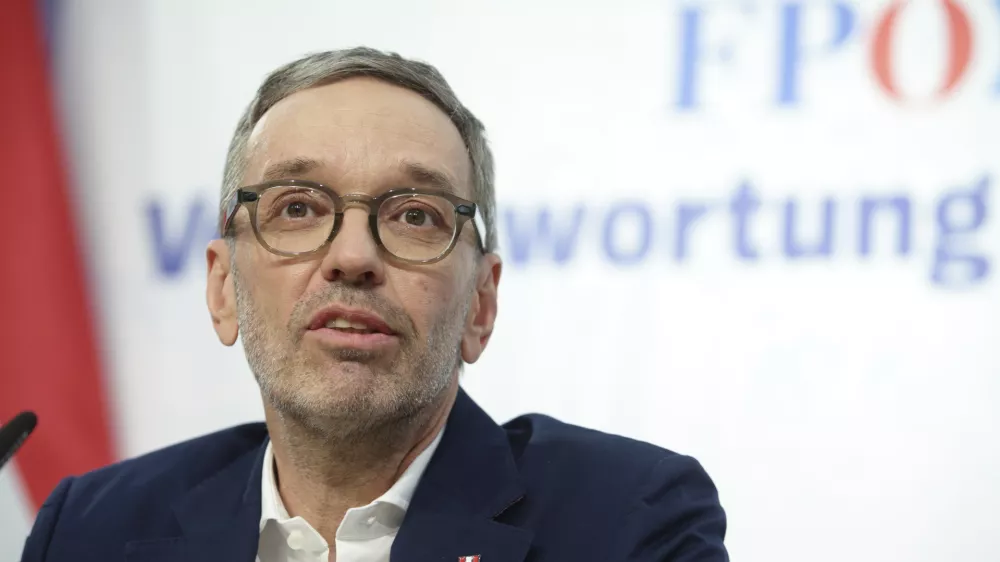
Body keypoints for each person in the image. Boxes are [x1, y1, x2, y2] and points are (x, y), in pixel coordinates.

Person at [20, 47, 729, 562]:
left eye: (413, 215)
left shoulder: (628, 523)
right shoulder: (90, 530)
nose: (352, 257)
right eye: (297, 207)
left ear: (481, 304)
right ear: (221, 287)